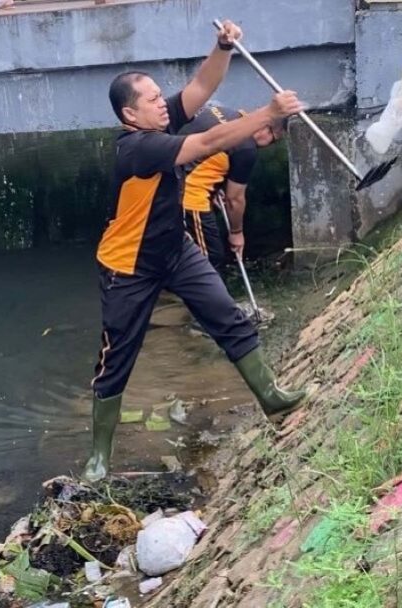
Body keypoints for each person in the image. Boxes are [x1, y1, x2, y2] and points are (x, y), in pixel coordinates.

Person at [83, 21, 308, 483]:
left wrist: (222, 47)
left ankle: (272, 398)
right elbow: (207, 143)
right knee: (117, 356)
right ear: (130, 115)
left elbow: (201, 86)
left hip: (174, 248)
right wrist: (267, 113)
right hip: (128, 265)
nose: (160, 103)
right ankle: (99, 456)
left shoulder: (158, 118)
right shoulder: (138, 148)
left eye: (157, 95)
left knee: (226, 315)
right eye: (149, 100)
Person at [179, 106, 285, 267]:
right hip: (188, 196)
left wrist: (214, 186)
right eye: (274, 139)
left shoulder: (221, 111)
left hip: (166, 180)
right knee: (210, 258)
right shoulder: (246, 148)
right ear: (265, 128)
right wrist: (237, 233)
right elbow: (234, 199)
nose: (269, 145)